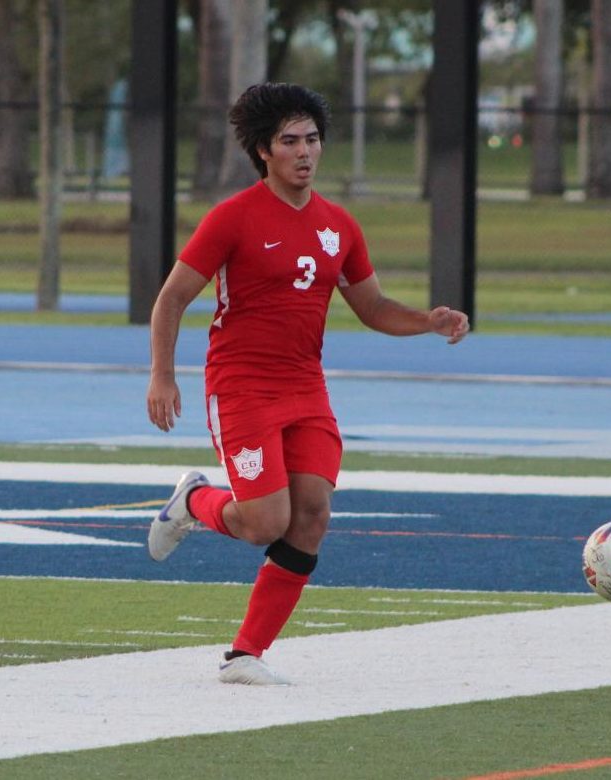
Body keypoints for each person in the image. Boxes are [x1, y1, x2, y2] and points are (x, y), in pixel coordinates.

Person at [145, 82, 469, 686]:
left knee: (312, 514)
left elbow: (371, 307)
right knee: (265, 522)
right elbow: (171, 300)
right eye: (289, 141)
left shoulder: (338, 226)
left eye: (312, 139)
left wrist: (427, 322)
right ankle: (192, 501)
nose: (304, 152)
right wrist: (163, 375)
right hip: (240, 387)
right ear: (264, 151)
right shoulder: (232, 218)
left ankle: (245, 655)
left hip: (305, 387)